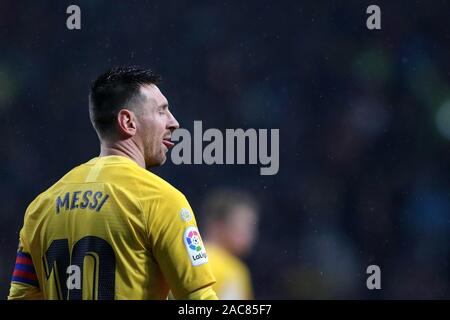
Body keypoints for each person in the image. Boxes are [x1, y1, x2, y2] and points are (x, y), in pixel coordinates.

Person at [8, 66, 217, 300]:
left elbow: (20, 297)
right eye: (162, 111)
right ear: (128, 122)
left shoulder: (40, 207)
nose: (174, 123)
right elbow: (198, 299)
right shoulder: (159, 199)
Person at [202, 189, 259, 299]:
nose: (251, 233)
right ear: (219, 225)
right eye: (245, 225)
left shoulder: (189, 256)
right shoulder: (228, 268)